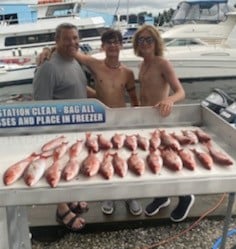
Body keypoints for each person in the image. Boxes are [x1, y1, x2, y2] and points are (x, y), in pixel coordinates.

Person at [33, 23, 96, 231]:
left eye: (76, 38)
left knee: (73, 164)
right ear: (57, 41)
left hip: (76, 129)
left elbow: (77, 87)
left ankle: (70, 198)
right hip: (57, 131)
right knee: (57, 168)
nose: (73, 42)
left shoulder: (74, 61)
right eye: (67, 39)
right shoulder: (48, 66)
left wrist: (104, 98)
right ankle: (61, 209)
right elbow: (41, 105)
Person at [74, 29, 142, 216]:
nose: (113, 45)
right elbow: (73, 51)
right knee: (104, 158)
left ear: (121, 45)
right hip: (101, 121)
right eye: (109, 42)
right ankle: (109, 195)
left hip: (121, 121)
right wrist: (50, 50)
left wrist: (137, 121)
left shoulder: (128, 73)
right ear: (102, 46)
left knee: (127, 157)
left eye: (116, 42)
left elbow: (134, 100)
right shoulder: (95, 65)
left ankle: (131, 195)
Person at [132, 24, 195, 222]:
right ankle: (162, 196)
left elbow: (180, 92)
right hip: (146, 121)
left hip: (162, 120)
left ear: (156, 42)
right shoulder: (142, 64)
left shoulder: (163, 63)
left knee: (171, 159)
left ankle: (185, 196)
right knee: (154, 159)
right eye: (141, 40)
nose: (145, 43)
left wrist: (169, 100)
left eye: (149, 39)